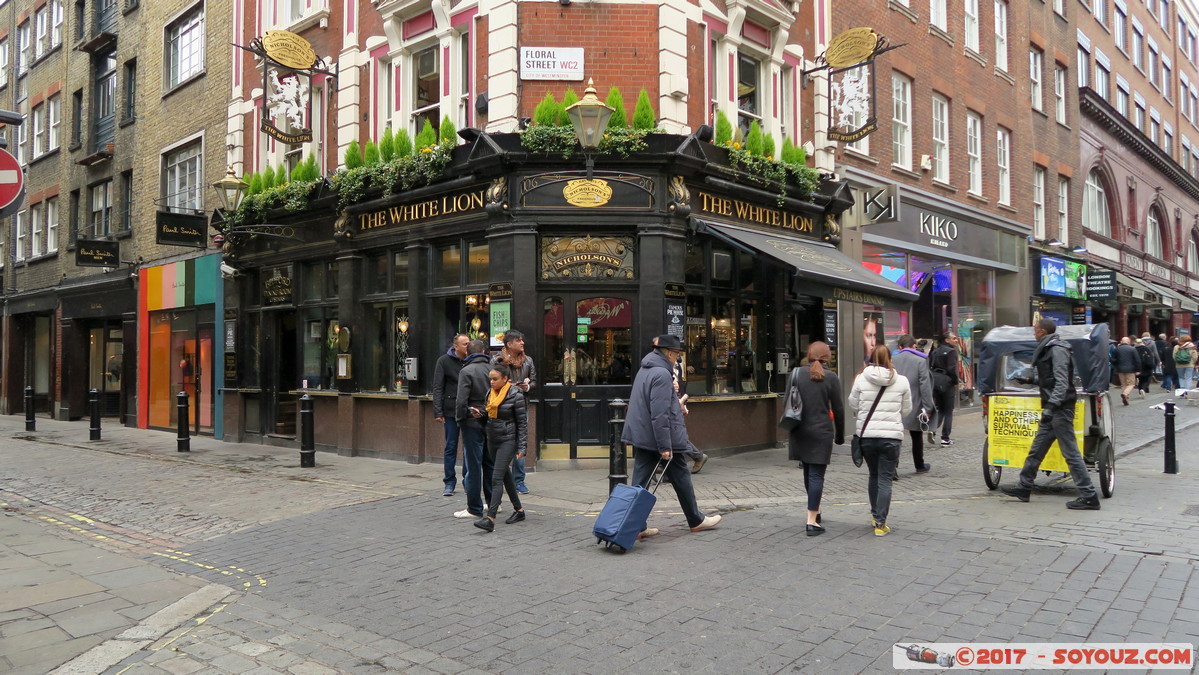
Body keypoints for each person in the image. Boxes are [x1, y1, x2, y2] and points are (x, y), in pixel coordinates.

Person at [621, 334, 722, 538]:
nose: (677, 358)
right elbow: (659, 414)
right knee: (669, 479)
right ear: (668, 353)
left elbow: (655, 404)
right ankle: (694, 520)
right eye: (676, 354)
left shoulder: (646, 369)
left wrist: (676, 404)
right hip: (658, 438)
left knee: (650, 480)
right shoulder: (661, 374)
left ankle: (638, 526)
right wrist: (664, 445)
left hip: (644, 435)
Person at [1000, 318, 1101, 510]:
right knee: (1036, 450)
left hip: (1060, 409)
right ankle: (1024, 487)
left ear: (1043, 332)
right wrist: (1031, 379)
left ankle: (1089, 496)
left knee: (1070, 454)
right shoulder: (1050, 348)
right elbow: (1050, 379)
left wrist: (1052, 407)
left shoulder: (1057, 349)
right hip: (1054, 408)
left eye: (1035, 330)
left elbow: (1062, 382)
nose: (1034, 334)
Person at [848, 345, 912, 537]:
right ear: (889, 359)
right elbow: (907, 408)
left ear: (871, 357)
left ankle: (875, 515)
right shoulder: (901, 381)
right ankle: (880, 523)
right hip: (891, 437)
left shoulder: (861, 378)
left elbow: (853, 404)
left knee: (874, 475)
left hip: (867, 436)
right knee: (885, 479)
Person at [784, 342, 844, 536]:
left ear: (808, 355)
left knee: (808, 472)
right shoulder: (832, 377)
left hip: (800, 429)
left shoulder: (796, 373)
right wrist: (841, 435)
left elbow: (787, 401)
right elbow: (839, 409)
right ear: (828, 357)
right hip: (821, 431)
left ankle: (815, 511)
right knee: (817, 475)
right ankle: (812, 521)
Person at [473, 363, 527, 532]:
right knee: (505, 475)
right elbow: (488, 418)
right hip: (492, 438)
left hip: (507, 440)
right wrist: (479, 415)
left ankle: (490, 518)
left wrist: (522, 447)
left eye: (495, 379)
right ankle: (519, 510)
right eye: (490, 379)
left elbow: (522, 424)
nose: (491, 382)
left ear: (505, 379)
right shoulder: (490, 393)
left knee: (496, 478)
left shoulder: (516, 395)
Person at [653, 335, 708, 473]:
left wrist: (680, 400)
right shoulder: (665, 363)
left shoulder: (672, 362)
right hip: (675, 400)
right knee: (672, 434)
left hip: (674, 401)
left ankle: (696, 456)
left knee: (673, 435)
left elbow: (676, 383)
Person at [453, 340, 495, 519]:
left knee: (473, 466)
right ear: (484, 351)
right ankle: (493, 504)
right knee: (490, 463)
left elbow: (461, 400)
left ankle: (474, 508)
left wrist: (460, 419)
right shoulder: (493, 371)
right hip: (491, 420)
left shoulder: (466, 371)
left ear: (468, 354)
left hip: (471, 422)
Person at [496, 330, 536, 494]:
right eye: (518, 341)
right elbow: (492, 382)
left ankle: (519, 480)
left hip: (522, 406)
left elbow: (534, 381)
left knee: (521, 442)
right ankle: (499, 477)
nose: (522, 343)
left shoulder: (528, 361)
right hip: (503, 408)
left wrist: (527, 386)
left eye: (522, 340)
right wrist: (509, 386)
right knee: (502, 443)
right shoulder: (498, 360)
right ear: (509, 344)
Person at [432, 334, 469, 496]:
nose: (468, 346)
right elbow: (438, 387)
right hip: (450, 410)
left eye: (469, 343)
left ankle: (468, 481)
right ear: (456, 347)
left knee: (469, 448)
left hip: (469, 410)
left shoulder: (472, 360)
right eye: (465, 343)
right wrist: (438, 411)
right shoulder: (444, 361)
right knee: (451, 447)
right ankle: (449, 482)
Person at [892, 334, 935, 474]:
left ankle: (893, 467)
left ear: (900, 347)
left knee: (895, 435)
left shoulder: (892, 360)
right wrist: (928, 407)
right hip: (914, 402)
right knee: (916, 435)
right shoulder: (920, 361)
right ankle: (919, 464)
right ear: (913, 346)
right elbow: (925, 386)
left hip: (894, 403)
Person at [928, 334, 960, 446]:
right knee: (948, 411)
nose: (956, 340)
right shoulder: (951, 351)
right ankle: (945, 438)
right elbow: (951, 368)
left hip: (936, 383)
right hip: (947, 383)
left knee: (940, 409)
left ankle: (932, 429)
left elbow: (930, 366)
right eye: (954, 338)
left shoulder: (935, 351)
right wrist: (956, 381)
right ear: (947, 340)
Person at [1113, 336, 1140, 405]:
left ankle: (1126, 399)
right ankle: (1125, 394)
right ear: (1129, 342)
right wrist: (1138, 370)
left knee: (1123, 384)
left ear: (1121, 342)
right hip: (1130, 369)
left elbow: (1113, 360)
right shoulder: (1132, 349)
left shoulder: (1117, 349)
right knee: (1131, 384)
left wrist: (1116, 365)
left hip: (1120, 369)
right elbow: (1137, 360)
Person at [1135, 333, 1160, 397]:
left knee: (1140, 378)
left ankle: (1141, 389)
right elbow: (1155, 352)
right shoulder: (1152, 343)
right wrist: (1158, 360)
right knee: (1147, 377)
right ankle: (1144, 388)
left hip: (1138, 365)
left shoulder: (1135, 348)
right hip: (1148, 363)